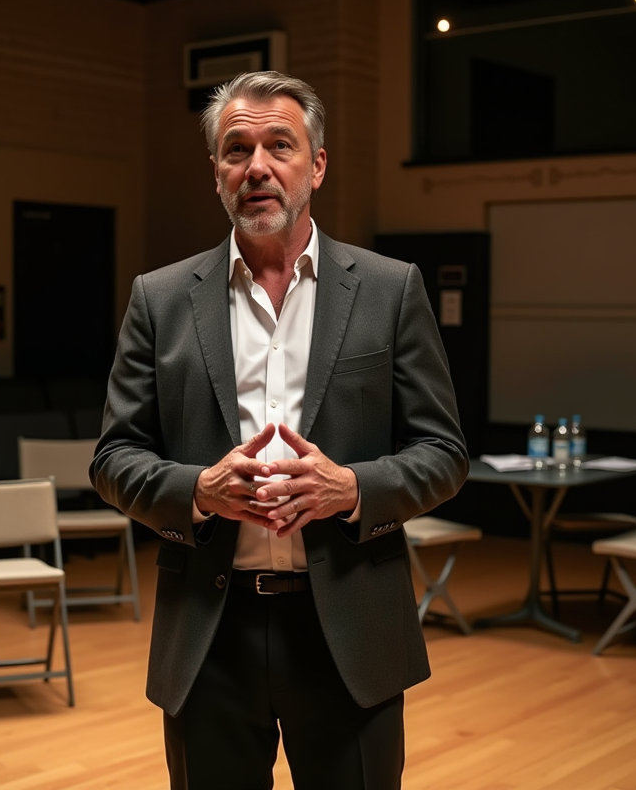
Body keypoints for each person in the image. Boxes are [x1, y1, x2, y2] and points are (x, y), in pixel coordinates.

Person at [90, 70, 469, 790]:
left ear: (316, 165)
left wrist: (351, 486)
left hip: (349, 633)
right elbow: (113, 459)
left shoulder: (391, 291)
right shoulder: (159, 299)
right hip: (210, 631)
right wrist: (198, 490)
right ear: (216, 174)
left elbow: (445, 454)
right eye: (237, 149)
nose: (256, 166)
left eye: (280, 146)